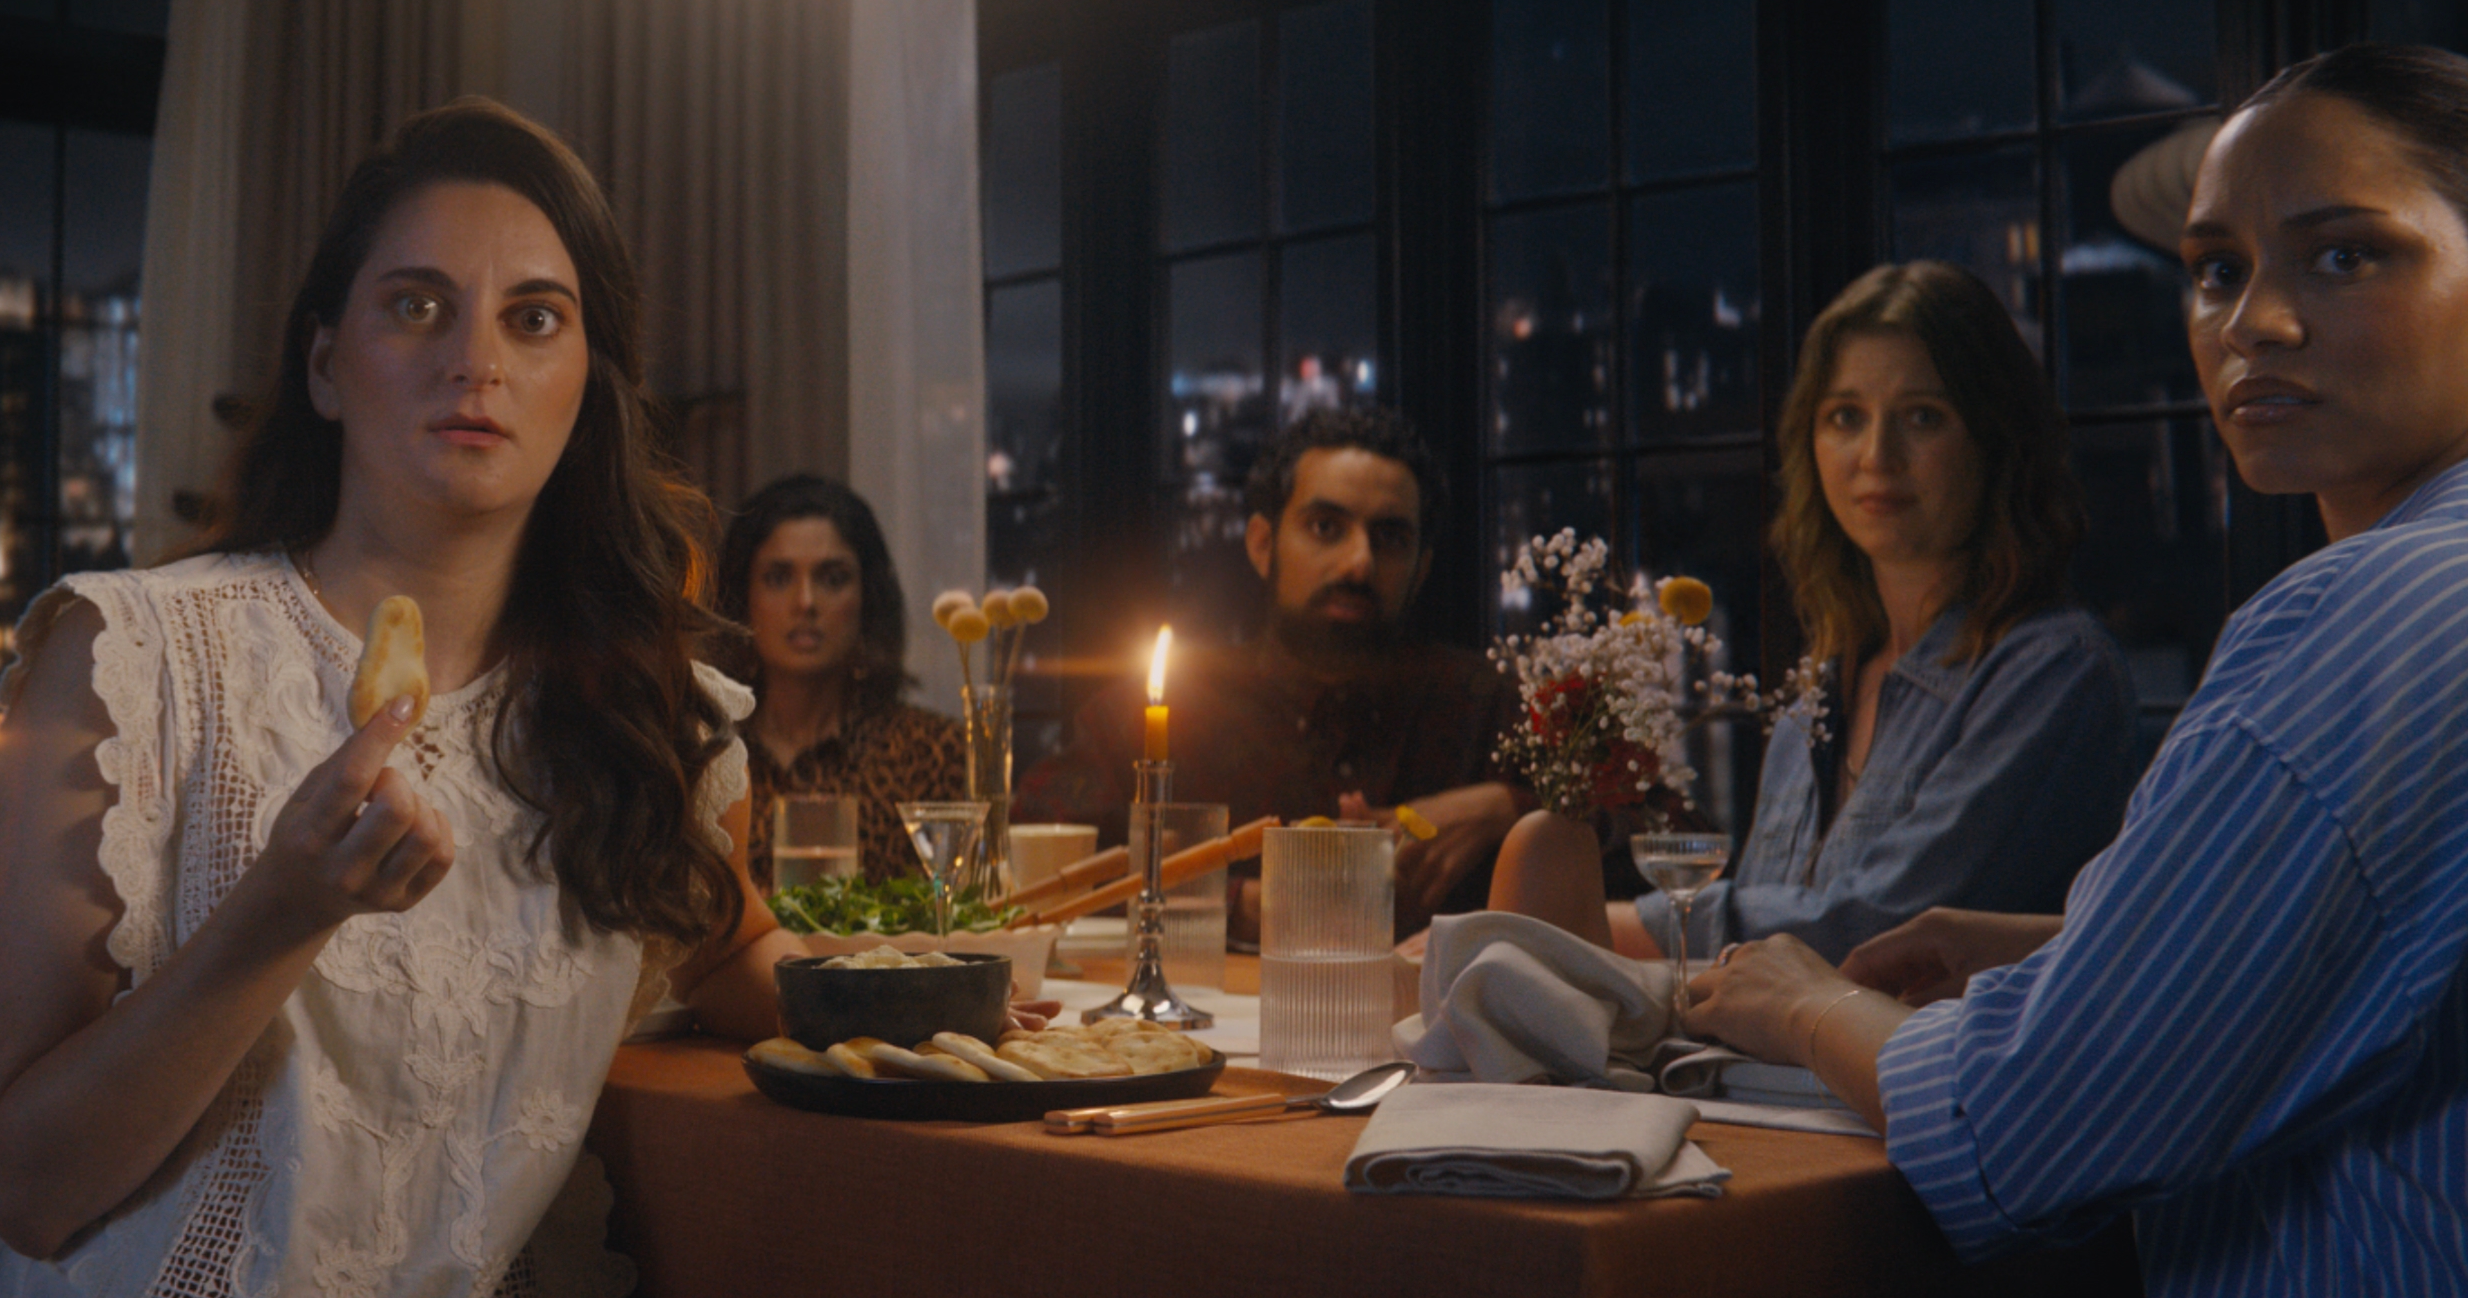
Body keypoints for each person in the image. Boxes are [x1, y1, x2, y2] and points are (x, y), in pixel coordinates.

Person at [1688, 46, 2468, 1298]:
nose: (2259, 321)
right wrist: (2031, 943)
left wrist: (1808, 1006)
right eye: (2219, 271)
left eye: (2345, 252)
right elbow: (2410, 946)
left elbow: (2036, 1128)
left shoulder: (2371, 619)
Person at [0, 100, 774, 1298]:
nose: (479, 360)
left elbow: (749, 968)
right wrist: (282, 907)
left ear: (591, 382)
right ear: (327, 363)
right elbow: (26, 1187)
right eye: (416, 307)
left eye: (535, 317)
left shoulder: (651, 728)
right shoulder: (132, 658)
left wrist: (1025, 1003)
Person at [1508, 263, 2137, 961]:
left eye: (1923, 417)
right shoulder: (1821, 687)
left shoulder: (2054, 672)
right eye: (1846, 417)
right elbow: (1764, 959)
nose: (1877, 456)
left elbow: (1879, 934)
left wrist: (1586, 930)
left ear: (1995, 441)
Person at [1015, 403, 1524, 931]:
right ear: (1263, 545)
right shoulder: (1169, 705)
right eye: (1326, 527)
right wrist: (1240, 903)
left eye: (1391, 538)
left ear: (1421, 570)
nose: (1360, 563)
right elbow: (1037, 846)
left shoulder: (1481, 707)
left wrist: (1506, 806)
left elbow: (1611, 830)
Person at [709, 474, 965, 886]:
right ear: (743, 598)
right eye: (778, 577)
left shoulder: (933, 754)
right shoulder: (707, 755)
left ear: (867, 597)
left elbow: (957, 930)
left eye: (832, 578)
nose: (805, 602)